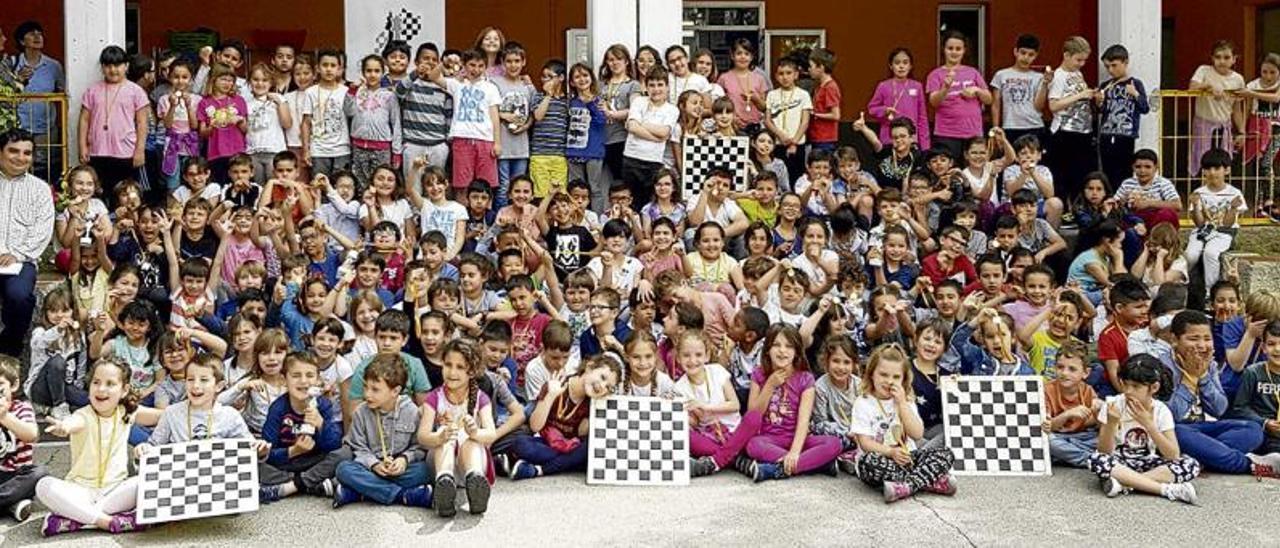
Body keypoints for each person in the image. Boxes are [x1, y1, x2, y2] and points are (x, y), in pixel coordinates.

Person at [1089, 354, 1200, 503]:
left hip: (1149, 463)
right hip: (1120, 463)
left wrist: (1149, 424)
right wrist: (1111, 423)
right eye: (1125, 384)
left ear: (1154, 387)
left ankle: (1125, 484)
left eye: (1135, 386)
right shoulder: (1113, 405)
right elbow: (1104, 451)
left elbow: (1173, 454)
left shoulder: (1161, 410)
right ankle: (1166, 490)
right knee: (1096, 459)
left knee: (1190, 464)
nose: (1128, 391)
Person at [851, 344, 956, 502]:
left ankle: (906, 485)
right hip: (882, 457)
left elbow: (917, 434)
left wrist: (901, 404)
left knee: (946, 454)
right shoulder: (863, 402)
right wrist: (890, 452)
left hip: (909, 457)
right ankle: (927, 481)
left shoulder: (905, 401)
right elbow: (865, 443)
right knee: (868, 463)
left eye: (896, 377)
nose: (889, 381)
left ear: (904, 379)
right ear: (872, 374)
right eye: (883, 375)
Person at [332, 353, 433, 508]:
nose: (367, 394)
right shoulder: (361, 412)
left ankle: (361, 493)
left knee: (425, 471)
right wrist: (374, 465)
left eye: (375, 389)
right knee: (343, 469)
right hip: (371, 468)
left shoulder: (411, 411)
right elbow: (358, 447)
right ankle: (403, 495)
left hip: (399, 469)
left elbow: (418, 446)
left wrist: (404, 460)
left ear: (395, 391)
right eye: (366, 387)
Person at [0, 129, 55, 359]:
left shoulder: (40, 189)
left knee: (19, 295)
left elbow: (43, 229)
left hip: (20, 262)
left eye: (27, 153)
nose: (20, 158)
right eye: (13, 151)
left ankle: (10, 347)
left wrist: (17, 254)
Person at [78, 46, 149, 200]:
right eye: (108, 65)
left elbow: (142, 123)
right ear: (102, 67)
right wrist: (82, 146)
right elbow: (84, 120)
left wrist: (140, 150)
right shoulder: (92, 91)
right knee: (99, 194)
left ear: (126, 66)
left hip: (125, 152)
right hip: (97, 151)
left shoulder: (136, 91)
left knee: (126, 195)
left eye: (117, 65)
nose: (113, 70)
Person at [1185, 148, 1246, 298]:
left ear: (1227, 170)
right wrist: (1195, 206)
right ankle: (1183, 281)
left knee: (1210, 253)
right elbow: (1199, 223)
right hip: (1203, 230)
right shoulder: (1199, 192)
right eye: (1208, 168)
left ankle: (1209, 291)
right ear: (1203, 171)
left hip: (1224, 232)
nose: (1212, 172)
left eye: (1217, 168)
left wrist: (1232, 208)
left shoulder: (1234, 193)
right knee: (1190, 254)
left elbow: (1227, 224)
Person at [10, 21, 65, 178]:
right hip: (18, 126)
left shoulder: (54, 66)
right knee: (18, 165)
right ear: (22, 41)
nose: (37, 36)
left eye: (39, 33)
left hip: (45, 127)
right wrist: (18, 79)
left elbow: (63, 92)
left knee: (45, 168)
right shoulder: (12, 64)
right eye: (31, 33)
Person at [927, 31, 991, 161]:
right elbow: (934, 102)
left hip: (973, 132)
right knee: (948, 173)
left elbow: (989, 99)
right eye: (950, 48)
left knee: (974, 172)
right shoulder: (935, 74)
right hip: (946, 133)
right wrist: (945, 87)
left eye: (958, 49)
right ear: (944, 50)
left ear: (964, 51)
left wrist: (977, 90)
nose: (954, 52)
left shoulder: (973, 72)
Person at [1096, 45, 1151, 189]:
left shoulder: (1135, 83)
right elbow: (1099, 111)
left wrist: (1135, 94)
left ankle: (1123, 201)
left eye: (1114, 65)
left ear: (1125, 62)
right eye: (1107, 66)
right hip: (1107, 134)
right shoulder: (1105, 85)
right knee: (1107, 170)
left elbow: (1145, 108)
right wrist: (1098, 102)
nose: (1110, 70)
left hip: (1126, 135)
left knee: (1124, 169)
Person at [990, 34, 1047, 147]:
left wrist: (1045, 83)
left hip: (1035, 126)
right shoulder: (1001, 75)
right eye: (1023, 53)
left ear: (1036, 56)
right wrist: (996, 128)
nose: (1026, 57)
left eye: (1031, 55)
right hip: (1010, 126)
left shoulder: (1039, 77)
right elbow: (995, 104)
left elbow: (1039, 106)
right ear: (1015, 52)